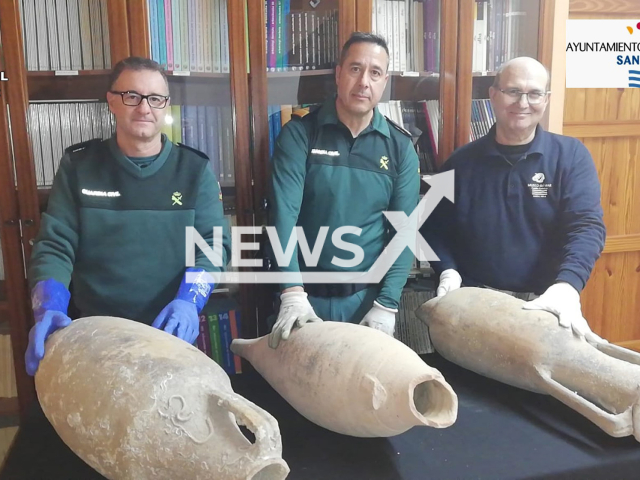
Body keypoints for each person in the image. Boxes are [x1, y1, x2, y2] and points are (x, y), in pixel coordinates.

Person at [25, 56, 231, 375]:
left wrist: (190, 301)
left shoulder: (194, 170)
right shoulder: (79, 166)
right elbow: (55, 244)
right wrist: (48, 305)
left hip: (169, 334)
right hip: (93, 334)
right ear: (112, 102)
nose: (144, 108)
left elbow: (213, 245)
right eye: (132, 96)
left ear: (166, 106)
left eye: (155, 99)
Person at [425, 56, 606, 344]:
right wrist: (447, 270)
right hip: (473, 310)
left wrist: (567, 286)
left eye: (534, 93)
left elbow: (587, 227)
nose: (523, 103)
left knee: (539, 390)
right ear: (493, 95)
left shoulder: (571, 157)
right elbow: (430, 228)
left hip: (544, 309)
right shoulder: (459, 163)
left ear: (545, 100)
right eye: (513, 91)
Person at [268, 32, 420, 349]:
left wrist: (387, 304)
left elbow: (404, 233)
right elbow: (283, 217)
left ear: (384, 81)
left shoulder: (400, 147)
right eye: (355, 69)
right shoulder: (299, 135)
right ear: (338, 74)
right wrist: (292, 292)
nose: (364, 81)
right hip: (304, 301)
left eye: (375, 73)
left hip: (366, 304)